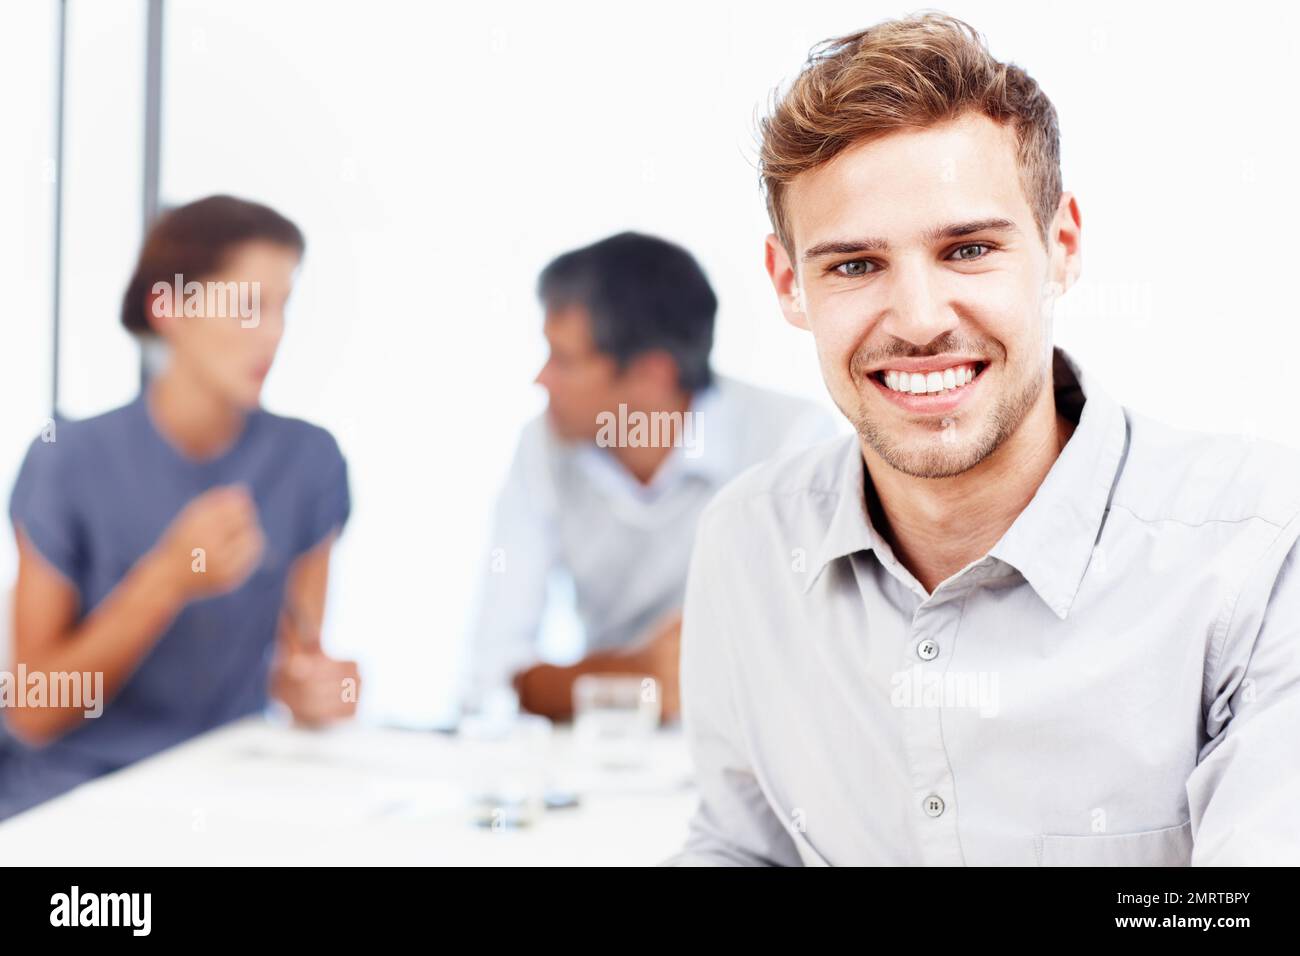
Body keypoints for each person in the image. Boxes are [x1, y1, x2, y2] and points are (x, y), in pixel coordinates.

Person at [669, 13, 1300, 865]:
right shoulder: (750, 543)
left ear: (1061, 245)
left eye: (967, 249)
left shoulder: (1259, 550)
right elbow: (742, 849)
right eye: (854, 265)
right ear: (789, 284)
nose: (921, 322)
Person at [0, 195, 359, 820]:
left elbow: (294, 661)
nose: (274, 333)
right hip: (74, 798)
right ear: (167, 308)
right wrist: (166, 578)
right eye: (249, 307)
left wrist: (317, 691)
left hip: (227, 795)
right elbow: (33, 711)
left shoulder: (308, 460)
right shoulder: (68, 460)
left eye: (283, 307)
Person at [465, 232, 839, 721]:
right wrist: (635, 676)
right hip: (612, 754)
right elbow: (492, 679)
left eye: (563, 359)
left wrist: (585, 682)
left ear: (651, 376)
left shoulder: (791, 439)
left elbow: (808, 659)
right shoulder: (543, 446)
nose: (541, 380)